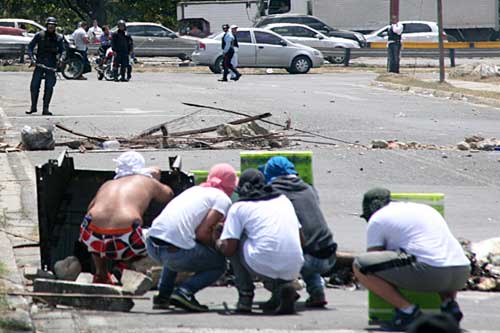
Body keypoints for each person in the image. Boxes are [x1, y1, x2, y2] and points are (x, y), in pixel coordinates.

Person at [353, 188, 470, 331]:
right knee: (436, 255)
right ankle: (449, 306)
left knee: (360, 265)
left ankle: (407, 311)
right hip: (461, 272)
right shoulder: (425, 209)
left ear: (372, 208)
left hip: (431, 273)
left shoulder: (377, 218)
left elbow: (373, 257)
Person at [146, 163, 238, 312]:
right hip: (173, 253)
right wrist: (217, 247)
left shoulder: (194, 190)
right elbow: (203, 233)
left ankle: (164, 296)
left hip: (152, 245)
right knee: (219, 264)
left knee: (178, 240)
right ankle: (185, 292)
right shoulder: (222, 199)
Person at [216, 169, 304, 315]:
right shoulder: (283, 200)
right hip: (294, 266)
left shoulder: (238, 207)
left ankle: (245, 297)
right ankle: (281, 291)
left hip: (262, 262)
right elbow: (301, 240)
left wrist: (218, 242)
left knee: (235, 240)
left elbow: (230, 249)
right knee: (267, 243)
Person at [79, 151, 174, 284]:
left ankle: (101, 273)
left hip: (93, 239)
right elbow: (168, 195)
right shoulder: (147, 181)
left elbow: (89, 209)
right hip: (127, 241)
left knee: (97, 227)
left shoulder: (108, 184)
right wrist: (153, 180)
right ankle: (125, 266)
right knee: (157, 235)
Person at [261, 156, 337, 308]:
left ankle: (280, 293)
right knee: (309, 249)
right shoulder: (309, 188)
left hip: (306, 258)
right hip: (329, 256)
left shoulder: (273, 192)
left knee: (270, 251)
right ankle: (317, 293)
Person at [26, 17, 65, 116]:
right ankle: (33, 106)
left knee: (49, 87)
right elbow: (30, 47)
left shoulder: (59, 37)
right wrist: (32, 58)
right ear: (46, 25)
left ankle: (46, 108)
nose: (51, 27)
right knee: (34, 86)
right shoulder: (39, 35)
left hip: (51, 65)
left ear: (55, 26)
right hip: (39, 63)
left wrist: (61, 59)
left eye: (53, 26)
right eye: (49, 25)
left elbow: (63, 50)